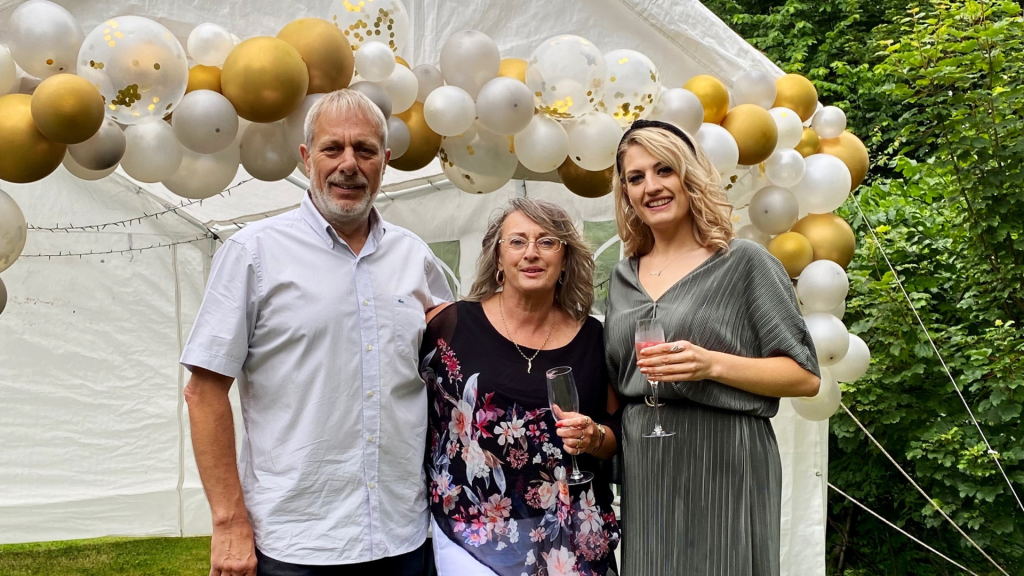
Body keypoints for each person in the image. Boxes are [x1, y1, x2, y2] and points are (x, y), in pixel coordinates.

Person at [181, 89, 453, 576]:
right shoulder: (253, 253)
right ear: (307, 157)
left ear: (385, 161)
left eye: (365, 150)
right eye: (333, 148)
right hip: (297, 543)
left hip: (404, 535)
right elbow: (204, 392)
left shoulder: (416, 258)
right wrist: (228, 521)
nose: (349, 164)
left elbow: (449, 378)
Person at [603, 119, 821, 576]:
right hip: (648, 465)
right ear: (626, 194)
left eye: (664, 170)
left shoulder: (744, 262)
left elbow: (804, 377)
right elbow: (616, 380)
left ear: (690, 176)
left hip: (726, 456)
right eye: (635, 178)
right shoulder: (622, 277)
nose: (651, 187)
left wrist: (710, 364)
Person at [420, 198, 621, 576]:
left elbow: (615, 432)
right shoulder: (449, 325)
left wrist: (594, 437)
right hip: (472, 536)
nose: (531, 252)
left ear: (565, 259)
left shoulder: (594, 338)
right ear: (498, 258)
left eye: (547, 242)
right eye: (516, 241)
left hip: (569, 536)